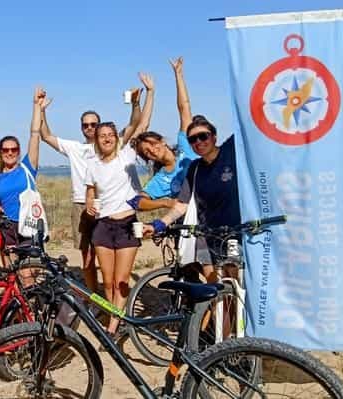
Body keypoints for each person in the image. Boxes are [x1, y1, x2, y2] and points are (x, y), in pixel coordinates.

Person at [39, 81, 144, 292]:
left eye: (93, 124)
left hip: (110, 207)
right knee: (87, 258)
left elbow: (135, 125)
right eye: (85, 125)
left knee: (111, 258)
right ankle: (92, 296)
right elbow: (46, 136)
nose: (89, 128)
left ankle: (111, 299)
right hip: (81, 205)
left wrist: (136, 104)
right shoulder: (75, 148)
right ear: (81, 128)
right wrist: (41, 110)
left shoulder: (111, 144)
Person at [84, 73, 155, 337]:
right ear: (96, 140)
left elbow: (141, 123)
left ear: (116, 137)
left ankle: (113, 325)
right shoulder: (92, 165)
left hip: (127, 224)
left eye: (110, 134)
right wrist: (89, 204)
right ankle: (116, 316)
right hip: (103, 226)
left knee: (122, 281)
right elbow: (90, 193)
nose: (106, 138)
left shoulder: (126, 156)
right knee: (109, 281)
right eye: (101, 135)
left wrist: (149, 94)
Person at [144, 115, 240, 281]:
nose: (199, 142)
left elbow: (248, 124)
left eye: (203, 136)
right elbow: (181, 204)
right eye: (193, 139)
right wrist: (158, 224)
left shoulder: (230, 153)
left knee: (233, 284)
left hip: (236, 233)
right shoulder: (195, 169)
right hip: (207, 236)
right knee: (214, 287)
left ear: (214, 136)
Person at [129, 57, 199, 211]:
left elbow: (184, 109)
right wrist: (165, 203)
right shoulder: (160, 180)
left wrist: (179, 75)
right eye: (147, 152)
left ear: (161, 141)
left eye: (152, 144)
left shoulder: (185, 145)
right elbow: (137, 203)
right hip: (188, 223)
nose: (152, 151)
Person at [0, 88, 44, 256]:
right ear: (0, 152)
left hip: (29, 224)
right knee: (10, 275)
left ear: (18, 152)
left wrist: (37, 107)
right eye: (5, 150)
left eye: (13, 149)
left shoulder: (28, 168)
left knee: (27, 274)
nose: (10, 153)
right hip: (7, 226)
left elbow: (34, 135)